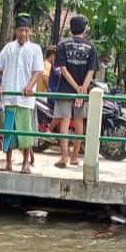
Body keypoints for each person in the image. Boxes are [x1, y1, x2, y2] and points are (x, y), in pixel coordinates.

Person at [0, 14, 43, 175]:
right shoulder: (9, 48)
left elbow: (38, 72)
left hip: (25, 99)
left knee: (25, 132)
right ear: (16, 31)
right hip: (9, 97)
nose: (23, 34)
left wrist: (29, 87)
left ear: (30, 32)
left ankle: (25, 163)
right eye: (21, 30)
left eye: (26, 31)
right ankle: (8, 163)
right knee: (8, 131)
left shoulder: (35, 49)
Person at [53, 15, 98, 168]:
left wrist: (74, 87)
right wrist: (81, 89)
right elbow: (91, 71)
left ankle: (63, 156)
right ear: (84, 28)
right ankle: (74, 157)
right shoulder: (91, 47)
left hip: (65, 88)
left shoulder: (62, 44)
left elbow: (63, 70)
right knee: (79, 121)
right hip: (82, 90)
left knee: (64, 120)